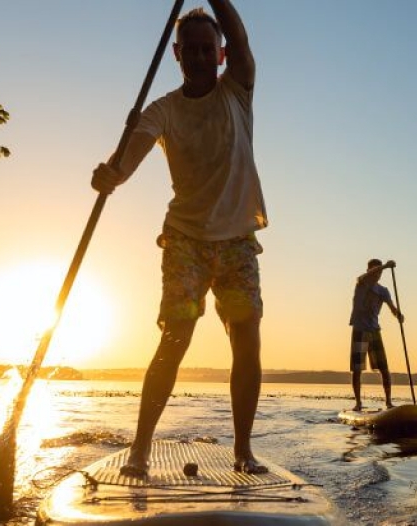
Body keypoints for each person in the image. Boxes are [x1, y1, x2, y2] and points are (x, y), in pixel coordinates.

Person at [90, 0, 268, 476]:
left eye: (207, 49)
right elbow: (127, 157)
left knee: (246, 340)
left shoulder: (238, 89)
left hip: (237, 242)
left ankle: (243, 451)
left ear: (221, 54)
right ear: (176, 54)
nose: (199, 57)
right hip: (186, 239)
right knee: (176, 338)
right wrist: (109, 174)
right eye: (190, 50)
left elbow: (241, 38)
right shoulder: (163, 109)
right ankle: (140, 450)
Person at [349, 259, 404, 412]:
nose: (377, 274)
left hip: (374, 331)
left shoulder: (383, 291)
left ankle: (388, 402)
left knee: (384, 368)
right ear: (369, 270)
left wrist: (398, 315)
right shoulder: (361, 282)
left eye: (380, 272)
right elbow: (367, 275)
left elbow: (392, 308)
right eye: (375, 271)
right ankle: (358, 403)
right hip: (359, 329)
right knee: (357, 369)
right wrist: (385, 266)